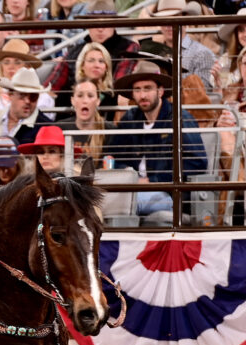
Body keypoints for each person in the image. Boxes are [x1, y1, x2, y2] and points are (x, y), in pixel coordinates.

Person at [111, 61, 207, 217]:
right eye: (137, 89)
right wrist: (129, 176)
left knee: (124, 203)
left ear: (160, 91)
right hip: (132, 188)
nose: (142, 95)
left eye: (148, 88)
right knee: (105, 199)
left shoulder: (179, 119)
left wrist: (152, 181)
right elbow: (112, 156)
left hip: (170, 194)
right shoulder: (130, 118)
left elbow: (195, 162)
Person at [44, 0, 138, 112]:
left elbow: (120, 87)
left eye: (106, 22)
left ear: (114, 24)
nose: (100, 28)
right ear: (88, 25)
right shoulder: (74, 51)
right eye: (94, 22)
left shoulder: (128, 48)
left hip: (108, 110)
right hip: (70, 111)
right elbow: (51, 86)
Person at [0, 66, 53, 170]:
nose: (27, 101)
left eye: (33, 97)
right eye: (22, 95)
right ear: (10, 94)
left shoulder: (46, 127)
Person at [151, 0, 216, 93]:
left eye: (175, 18)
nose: (169, 25)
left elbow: (202, 94)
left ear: (185, 21)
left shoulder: (202, 54)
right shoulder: (153, 53)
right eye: (164, 20)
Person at [0, 38, 55, 118]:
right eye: (6, 62)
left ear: (28, 67)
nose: (11, 67)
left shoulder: (42, 97)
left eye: (17, 62)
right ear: (1, 67)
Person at [58, 78, 114, 168]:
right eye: (80, 96)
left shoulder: (110, 131)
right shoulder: (59, 129)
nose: (85, 101)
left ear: (98, 101)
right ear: (72, 100)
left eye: (90, 96)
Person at [71, 41, 118, 120]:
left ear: (106, 67)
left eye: (101, 61)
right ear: (82, 65)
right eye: (91, 60)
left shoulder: (113, 96)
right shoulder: (69, 92)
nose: (96, 65)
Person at [212, 8, 246, 95]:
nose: (245, 34)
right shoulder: (226, 59)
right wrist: (218, 84)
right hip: (231, 102)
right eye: (241, 30)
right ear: (236, 34)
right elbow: (220, 95)